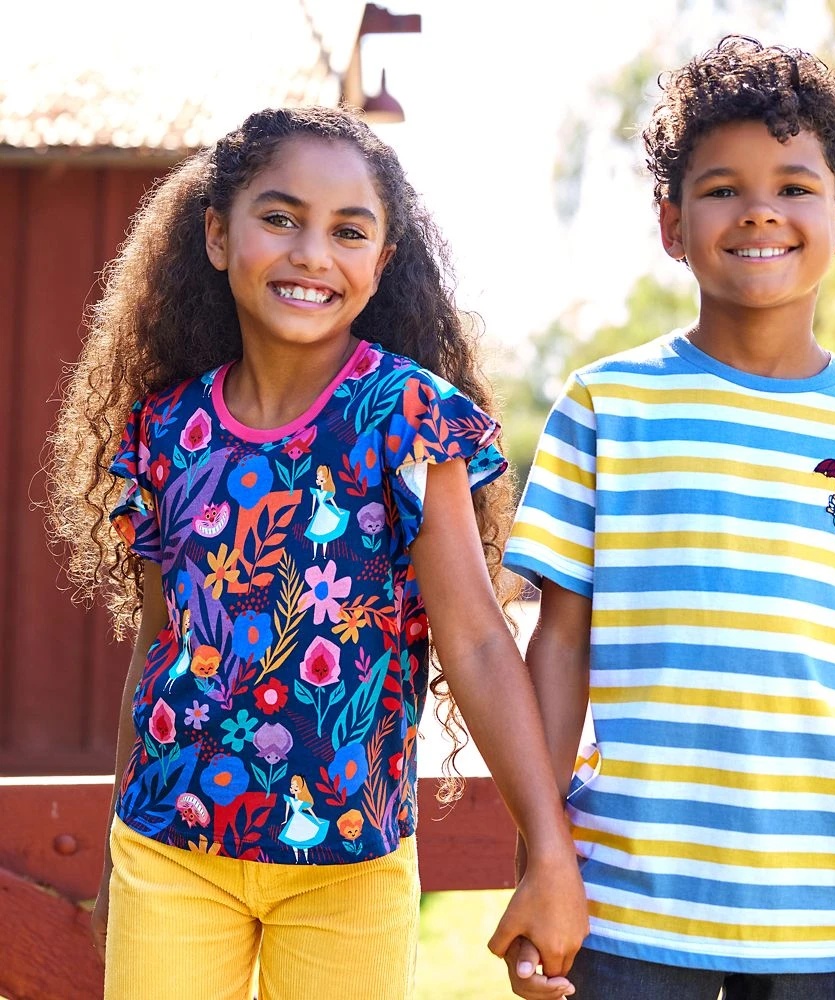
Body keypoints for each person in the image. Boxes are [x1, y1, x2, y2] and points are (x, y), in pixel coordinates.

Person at [47, 105, 587, 1000]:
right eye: (280, 217)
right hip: (168, 852)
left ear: (382, 261)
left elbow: (479, 640)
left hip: (351, 868)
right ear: (218, 235)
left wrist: (550, 853)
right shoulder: (166, 430)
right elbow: (157, 645)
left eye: (348, 231)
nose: (311, 254)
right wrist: (115, 848)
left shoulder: (407, 418)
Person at [501, 35, 835, 1000]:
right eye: (723, 188)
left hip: (825, 921)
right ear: (672, 226)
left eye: (794, 187)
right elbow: (558, 649)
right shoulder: (605, 408)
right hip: (624, 908)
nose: (760, 209)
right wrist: (540, 869)